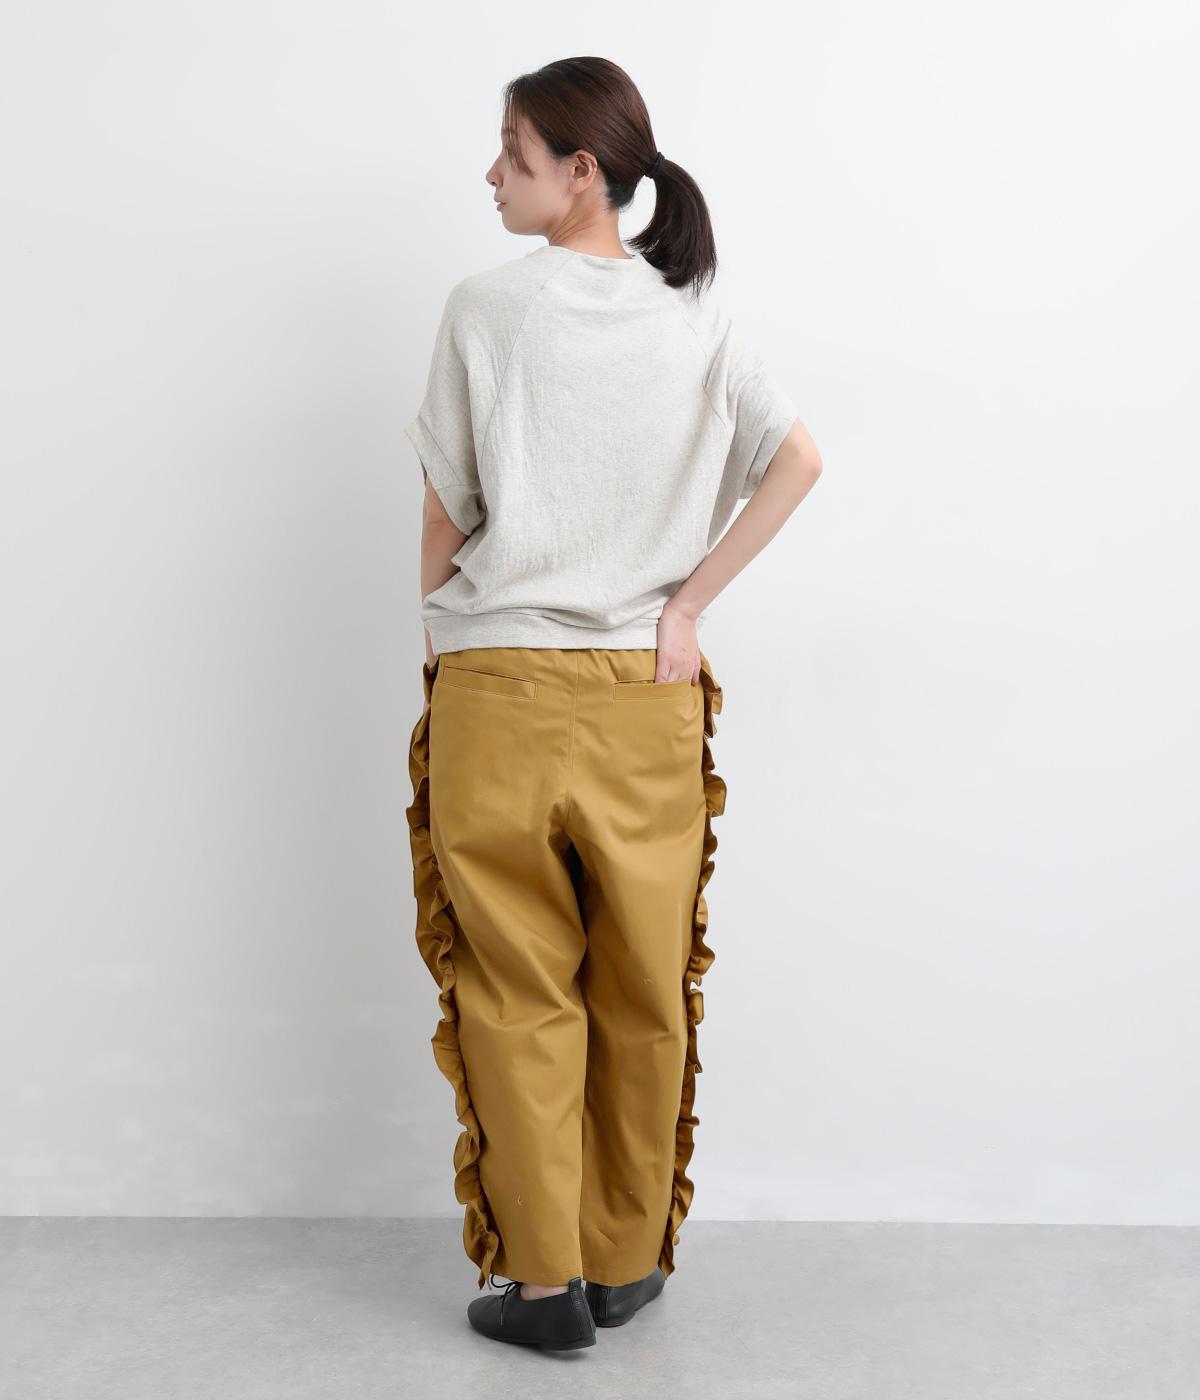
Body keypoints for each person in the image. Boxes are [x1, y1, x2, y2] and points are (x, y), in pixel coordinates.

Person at [404, 56, 823, 1353]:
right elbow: (799, 459)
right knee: (644, 987)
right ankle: (626, 1263)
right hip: (649, 693)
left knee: (517, 987)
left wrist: (443, 635)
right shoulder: (698, 321)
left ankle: (545, 1290)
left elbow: (446, 513)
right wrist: (682, 608)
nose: (492, 175)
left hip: (502, 687)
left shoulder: (487, 309)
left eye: (514, 153)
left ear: (583, 171)